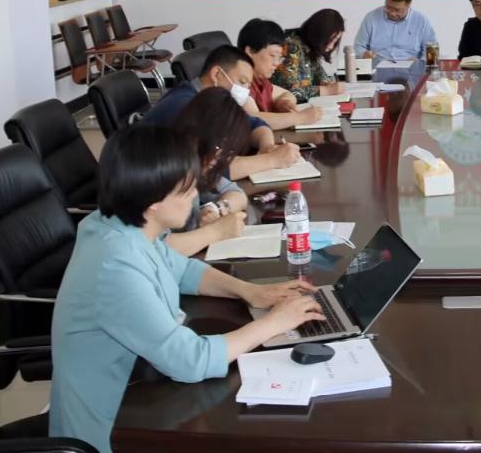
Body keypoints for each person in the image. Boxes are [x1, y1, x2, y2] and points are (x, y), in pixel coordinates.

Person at [49, 125, 325, 453]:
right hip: (110, 428)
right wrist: (273, 323)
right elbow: (189, 360)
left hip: (143, 389)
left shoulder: (122, 223)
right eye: (186, 190)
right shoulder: (114, 266)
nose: (195, 197)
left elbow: (181, 269)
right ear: (153, 202)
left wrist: (249, 292)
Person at [139, 45, 300, 179]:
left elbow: (255, 123)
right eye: (242, 82)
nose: (245, 91)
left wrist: (267, 146)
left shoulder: (216, 102)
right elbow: (211, 168)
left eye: (248, 85)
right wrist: (272, 160)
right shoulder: (185, 105)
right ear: (216, 74)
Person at [163, 87, 251, 257]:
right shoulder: (163, 168)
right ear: (197, 134)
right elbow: (153, 247)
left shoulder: (195, 163)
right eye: (218, 146)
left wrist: (216, 209)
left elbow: (237, 194)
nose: (219, 157)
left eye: (228, 150)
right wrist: (216, 231)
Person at [237, 18, 322, 130]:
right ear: (250, 51)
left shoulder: (260, 80)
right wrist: (300, 117)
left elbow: (286, 93)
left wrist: (284, 102)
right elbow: (254, 118)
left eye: (279, 57)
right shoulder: (240, 82)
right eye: (272, 55)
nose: (277, 63)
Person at [271, 9, 348, 102]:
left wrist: (328, 84)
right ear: (318, 33)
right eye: (330, 40)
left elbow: (321, 78)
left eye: (335, 42)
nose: (331, 46)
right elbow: (287, 92)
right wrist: (327, 90)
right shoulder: (291, 46)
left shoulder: (308, 47)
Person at [354, 0, 437, 61]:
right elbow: (358, 46)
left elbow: (432, 51)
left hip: (410, 67)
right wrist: (364, 54)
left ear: (409, 4)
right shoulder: (371, 18)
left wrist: (420, 62)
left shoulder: (421, 21)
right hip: (377, 66)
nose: (392, 13)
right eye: (388, 7)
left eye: (397, 10)